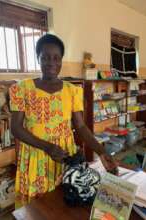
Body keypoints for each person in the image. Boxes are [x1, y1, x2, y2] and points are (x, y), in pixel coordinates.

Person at [9, 34, 117, 208]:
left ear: (61, 60)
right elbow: (16, 128)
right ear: (38, 59)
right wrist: (47, 147)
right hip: (36, 155)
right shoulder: (22, 88)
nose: (51, 62)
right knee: (37, 209)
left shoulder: (72, 91)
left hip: (65, 157)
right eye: (45, 57)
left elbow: (80, 126)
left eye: (56, 57)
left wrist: (101, 151)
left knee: (64, 202)